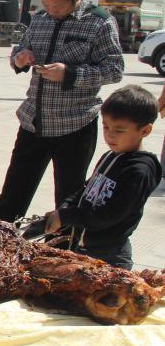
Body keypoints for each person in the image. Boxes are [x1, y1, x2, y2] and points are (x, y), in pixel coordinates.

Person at [0, 0, 124, 224]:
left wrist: (70, 73)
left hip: (74, 126)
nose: (52, 11)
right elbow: (21, 48)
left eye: (58, 7)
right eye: (47, 4)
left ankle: (62, 253)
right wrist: (20, 58)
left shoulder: (99, 22)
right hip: (33, 122)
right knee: (12, 196)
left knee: (67, 200)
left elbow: (115, 69)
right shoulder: (39, 20)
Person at [42, 86, 161, 270]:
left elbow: (109, 216)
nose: (110, 135)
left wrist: (67, 216)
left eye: (119, 130)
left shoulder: (140, 171)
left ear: (144, 131)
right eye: (105, 126)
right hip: (84, 246)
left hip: (110, 255)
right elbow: (86, 189)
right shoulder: (111, 156)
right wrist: (64, 209)